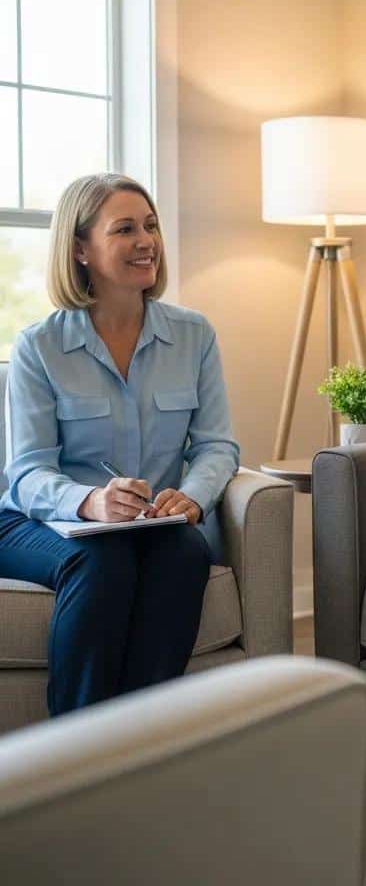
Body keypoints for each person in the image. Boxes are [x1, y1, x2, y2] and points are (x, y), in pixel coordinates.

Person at [0, 173, 239, 716]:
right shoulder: (39, 346)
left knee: (186, 551)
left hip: (145, 523)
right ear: (80, 249)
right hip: (33, 519)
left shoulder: (194, 335)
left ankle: (138, 745)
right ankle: (74, 752)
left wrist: (192, 498)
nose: (146, 241)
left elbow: (217, 446)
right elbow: (28, 473)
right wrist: (90, 501)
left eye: (150, 226)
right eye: (125, 229)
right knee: (100, 562)